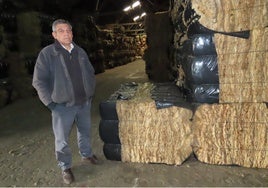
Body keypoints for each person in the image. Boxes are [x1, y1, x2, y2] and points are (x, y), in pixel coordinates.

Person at [32, 19, 98, 185]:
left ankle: (87, 154)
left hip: (83, 102)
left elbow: (90, 72)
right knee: (61, 139)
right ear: (54, 35)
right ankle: (65, 167)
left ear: (72, 33)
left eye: (68, 30)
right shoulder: (47, 54)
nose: (66, 33)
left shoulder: (80, 52)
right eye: (61, 31)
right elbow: (38, 81)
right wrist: (51, 103)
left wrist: (90, 92)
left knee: (85, 131)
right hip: (62, 106)